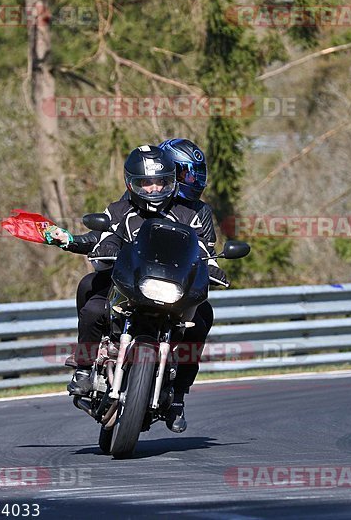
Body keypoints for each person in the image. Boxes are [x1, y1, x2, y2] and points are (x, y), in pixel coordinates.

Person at [46, 143, 226, 433]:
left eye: (160, 182)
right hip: (132, 286)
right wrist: (78, 242)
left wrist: (213, 266)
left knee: (202, 318)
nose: (154, 189)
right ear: (132, 183)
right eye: (146, 183)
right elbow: (104, 235)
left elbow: (202, 248)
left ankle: (178, 394)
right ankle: (84, 366)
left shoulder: (190, 213)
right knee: (92, 306)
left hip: (171, 288)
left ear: (171, 181)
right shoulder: (121, 210)